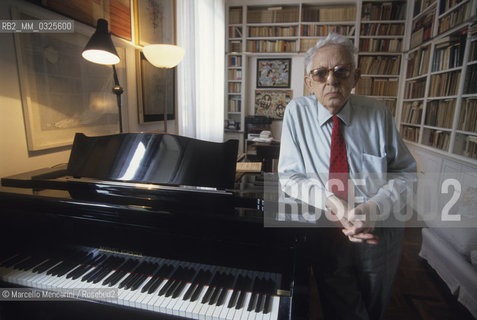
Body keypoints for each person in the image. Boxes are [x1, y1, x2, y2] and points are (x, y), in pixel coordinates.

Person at [278, 33, 417, 320]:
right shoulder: (296, 114)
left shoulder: (378, 113)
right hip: (328, 232)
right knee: (337, 307)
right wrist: (333, 202)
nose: (331, 80)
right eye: (321, 73)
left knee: (373, 308)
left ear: (356, 76)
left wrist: (373, 208)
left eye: (341, 71)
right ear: (309, 82)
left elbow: (407, 173)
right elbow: (290, 177)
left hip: (379, 234)